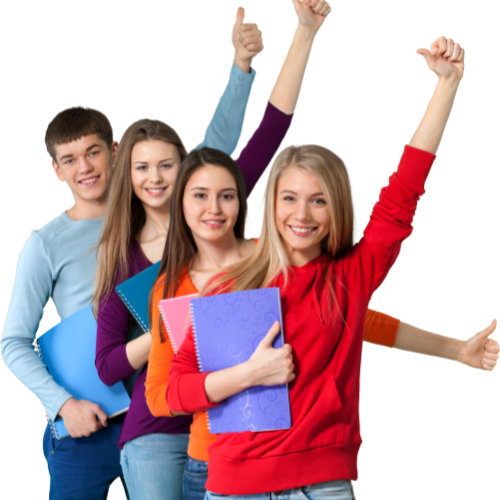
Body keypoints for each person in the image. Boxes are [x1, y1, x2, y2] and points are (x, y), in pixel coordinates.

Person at [166, 36, 469, 498]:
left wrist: (447, 85)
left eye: (318, 201)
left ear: (336, 209)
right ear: (271, 204)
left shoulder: (350, 278)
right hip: (235, 487)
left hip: (321, 484)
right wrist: (249, 374)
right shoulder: (231, 286)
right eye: (289, 198)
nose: (301, 215)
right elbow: (175, 393)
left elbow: (402, 195)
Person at [1, 8, 262, 499]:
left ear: (116, 150)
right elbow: (13, 341)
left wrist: (241, 67)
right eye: (70, 160)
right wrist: (62, 406)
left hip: (170, 410)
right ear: (56, 170)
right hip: (90, 421)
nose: (86, 167)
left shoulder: (170, 211)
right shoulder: (46, 243)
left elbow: (216, 149)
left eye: (94, 152)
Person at [95, 3, 334, 498]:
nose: (155, 178)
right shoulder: (126, 259)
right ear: (127, 173)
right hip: (159, 432)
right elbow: (109, 366)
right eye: (141, 168)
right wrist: (179, 324)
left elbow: (272, 129)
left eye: (167, 166)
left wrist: (302, 34)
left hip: (236, 423)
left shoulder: (216, 211)